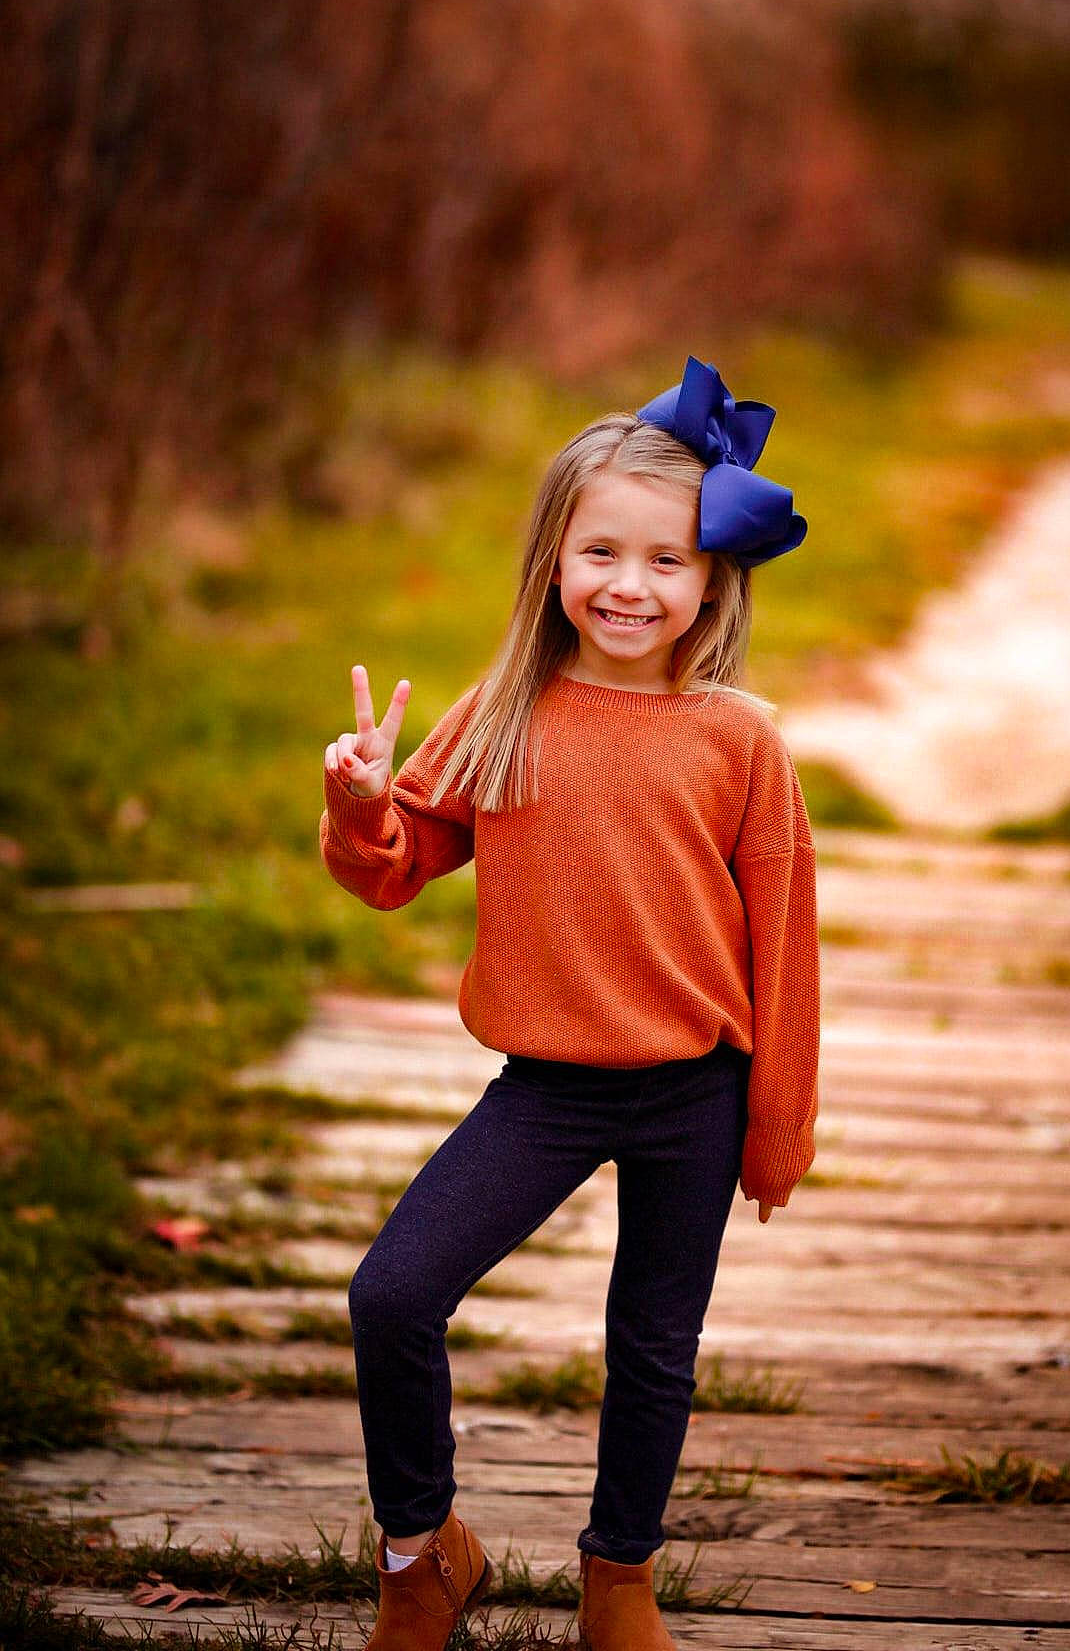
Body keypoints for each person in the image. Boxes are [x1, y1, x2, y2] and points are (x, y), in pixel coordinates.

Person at [319, 354, 821, 1651]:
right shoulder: (506, 710)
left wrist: (776, 1127)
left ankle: (620, 1579)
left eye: (665, 560)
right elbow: (395, 870)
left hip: (694, 1092)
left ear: (711, 578)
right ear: (554, 561)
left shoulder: (739, 740)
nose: (630, 585)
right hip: (544, 1086)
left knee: (652, 1346)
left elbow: (787, 953)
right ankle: (422, 1556)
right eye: (602, 551)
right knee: (392, 1295)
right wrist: (364, 805)